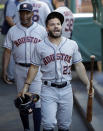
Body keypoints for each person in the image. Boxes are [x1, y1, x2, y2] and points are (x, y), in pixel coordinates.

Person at [21, 12, 92, 131]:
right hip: (48, 90)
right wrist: (26, 86)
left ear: (61, 26)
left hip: (66, 90)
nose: (56, 26)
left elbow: (79, 65)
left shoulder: (71, 44)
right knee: (48, 124)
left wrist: (88, 83)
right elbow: (34, 67)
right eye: (52, 24)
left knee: (64, 125)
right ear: (47, 27)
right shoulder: (40, 46)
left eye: (58, 24)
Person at [2, 2, 47, 131]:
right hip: (19, 69)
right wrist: (4, 70)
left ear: (32, 13)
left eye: (27, 13)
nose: (25, 15)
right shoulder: (13, 30)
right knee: (22, 101)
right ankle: (26, 128)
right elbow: (7, 52)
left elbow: (46, 51)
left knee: (36, 102)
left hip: (37, 70)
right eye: (22, 12)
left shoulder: (41, 30)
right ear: (19, 13)